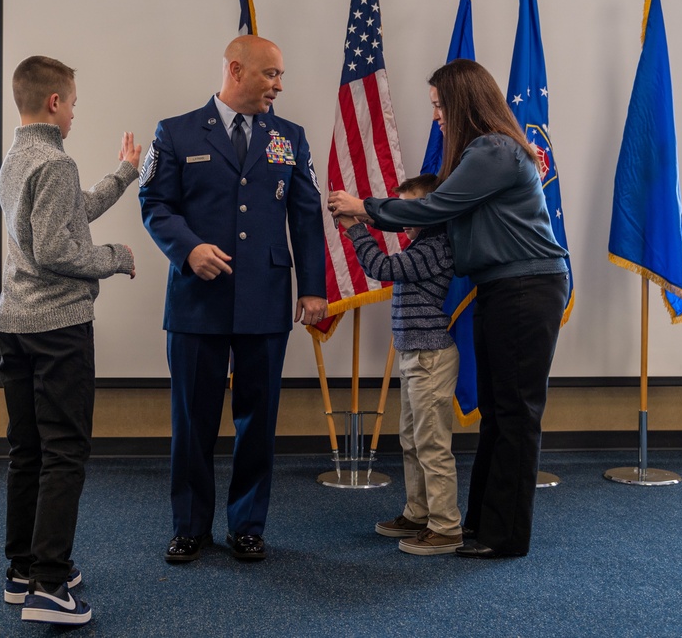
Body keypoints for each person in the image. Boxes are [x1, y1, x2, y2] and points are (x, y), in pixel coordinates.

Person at [328, 58, 569, 559]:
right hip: (503, 288)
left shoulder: (494, 150)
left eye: (439, 105)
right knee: (499, 414)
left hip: (527, 288)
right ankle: (482, 526)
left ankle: (505, 538)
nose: (436, 114)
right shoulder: (485, 152)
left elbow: (435, 208)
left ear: (462, 102)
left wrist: (364, 208)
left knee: (516, 415)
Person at [139, 35, 327, 563]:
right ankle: (190, 526)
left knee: (258, 420)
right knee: (192, 421)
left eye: (281, 75)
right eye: (270, 74)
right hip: (198, 300)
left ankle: (247, 524)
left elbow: (306, 215)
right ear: (236, 70)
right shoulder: (174, 132)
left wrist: (313, 287)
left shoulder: (289, 138)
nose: (279, 85)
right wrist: (188, 248)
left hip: (265, 300)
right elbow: (154, 203)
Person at [0, 55, 141, 625]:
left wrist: (123, 173)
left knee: (28, 450)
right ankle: (50, 586)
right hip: (58, 330)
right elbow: (61, 250)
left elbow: (69, 216)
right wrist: (116, 257)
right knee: (64, 453)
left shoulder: (16, 157)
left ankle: (22, 569)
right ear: (55, 102)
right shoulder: (55, 162)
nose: (76, 112)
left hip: (17, 326)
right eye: (75, 103)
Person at [339, 173, 463, 555]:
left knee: (431, 442)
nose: (404, 218)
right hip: (415, 355)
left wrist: (355, 229)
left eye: (411, 209)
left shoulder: (436, 247)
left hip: (430, 356)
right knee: (412, 439)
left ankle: (445, 526)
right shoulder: (424, 241)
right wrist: (364, 220)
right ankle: (419, 513)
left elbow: (381, 267)